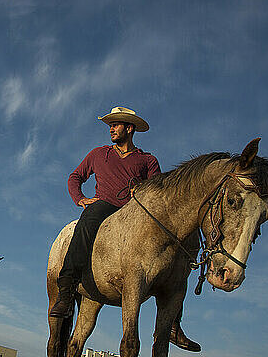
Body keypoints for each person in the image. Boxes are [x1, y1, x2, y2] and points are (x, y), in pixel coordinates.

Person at [49, 106, 201, 352]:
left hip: (135, 212)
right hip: (105, 206)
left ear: (129, 129)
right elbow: (75, 176)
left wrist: (141, 191)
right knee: (87, 222)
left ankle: (174, 324)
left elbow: (159, 192)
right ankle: (66, 292)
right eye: (111, 124)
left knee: (177, 244)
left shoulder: (148, 160)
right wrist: (80, 199)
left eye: (116, 124)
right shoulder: (99, 154)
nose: (111, 128)